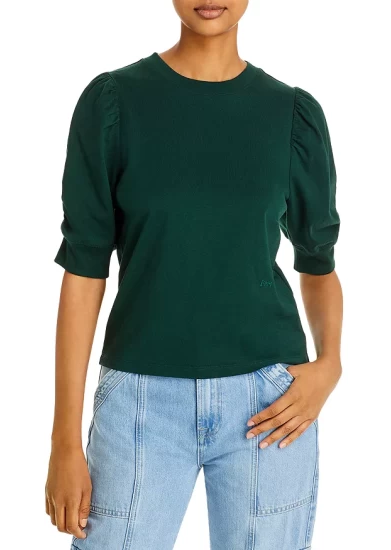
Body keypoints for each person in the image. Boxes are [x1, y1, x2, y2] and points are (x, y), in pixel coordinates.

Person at [45, 1, 343, 548]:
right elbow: (84, 269)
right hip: (139, 402)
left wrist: (330, 364)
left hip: (269, 405)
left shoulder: (291, 114)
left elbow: (318, 262)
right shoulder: (113, 103)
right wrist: (64, 439)